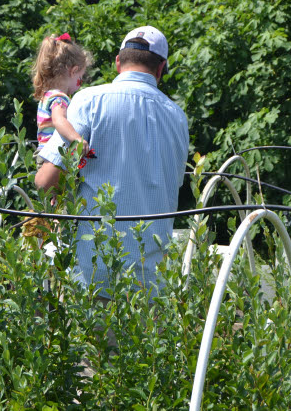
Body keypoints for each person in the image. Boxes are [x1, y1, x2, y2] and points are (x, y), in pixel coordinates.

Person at [35, 26, 189, 295]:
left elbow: (46, 181)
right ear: (161, 68)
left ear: (118, 62)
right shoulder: (177, 117)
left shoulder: (89, 101)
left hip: (94, 278)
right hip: (152, 284)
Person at [32, 33, 94, 166]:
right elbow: (59, 120)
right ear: (73, 71)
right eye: (80, 77)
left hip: (43, 154)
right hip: (52, 157)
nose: (80, 83)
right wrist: (77, 139)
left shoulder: (48, 95)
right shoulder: (59, 98)